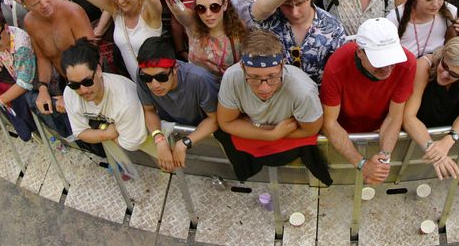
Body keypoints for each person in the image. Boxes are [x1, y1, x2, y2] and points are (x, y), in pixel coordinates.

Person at [216, 29, 332, 185]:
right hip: (262, 139)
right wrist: (271, 134)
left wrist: (252, 127)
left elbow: (311, 129)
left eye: (272, 77)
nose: (264, 88)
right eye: (254, 78)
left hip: (286, 146)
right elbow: (225, 122)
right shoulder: (232, 77)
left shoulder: (303, 91)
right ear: (242, 67)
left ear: (283, 65)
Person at [320, 18, 417, 185]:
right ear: (359, 52)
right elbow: (329, 123)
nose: (387, 69)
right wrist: (363, 164)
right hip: (343, 132)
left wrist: (383, 161)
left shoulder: (407, 63)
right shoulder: (337, 64)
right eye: (379, 61)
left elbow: (395, 116)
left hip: (379, 130)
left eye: (391, 60)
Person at [402, 37, 459, 179]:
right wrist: (434, 150)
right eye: (444, 65)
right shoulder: (423, 66)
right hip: (418, 134)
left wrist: (449, 140)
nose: (445, 74)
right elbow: (408, 117)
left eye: (453, 74)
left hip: (445, 133)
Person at [136, 37, 220, 171]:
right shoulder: (142, 74)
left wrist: (184, 143)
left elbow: (215, 119)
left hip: (201, 132)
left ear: (175, 68)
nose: (154, 85)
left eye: (161, 77)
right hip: (174, 129)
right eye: (147, 78)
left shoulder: (199, 79)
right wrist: (159, 140)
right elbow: (149, 110)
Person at [251, 0, 345, 84]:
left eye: (299, 3)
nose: (294, 12)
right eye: (286, 5)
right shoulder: (269, 18)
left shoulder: (333, 28)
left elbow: (338, 76)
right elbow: (256, 12)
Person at [61, 40, 148, 164]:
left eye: (87, 82)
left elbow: (131, 143)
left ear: (98, 70)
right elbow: (79, 132)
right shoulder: (69, 92)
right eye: (74, 84)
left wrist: (95, 129)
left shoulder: (125, 100)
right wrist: (106, 133)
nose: (83, 90)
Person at [0, 6, 37, 140]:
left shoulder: (21, 44)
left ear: (5, 28)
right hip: (22, 86)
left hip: (37, 86)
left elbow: (23, 84)